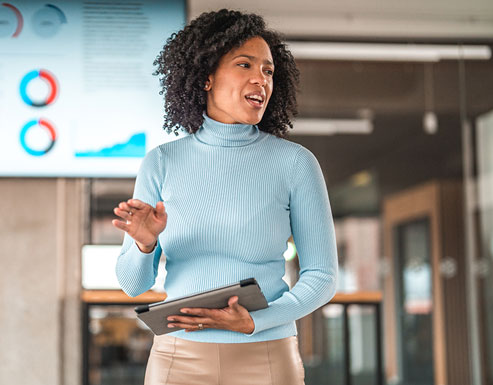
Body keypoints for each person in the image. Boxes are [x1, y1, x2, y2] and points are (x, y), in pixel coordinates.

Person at [112, 9, 337, 385]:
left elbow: (323, 276)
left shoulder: (295, 163)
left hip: (266, 354)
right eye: (245, 64)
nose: (260, 79)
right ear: (206, 78)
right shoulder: (162, 162)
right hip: (177, 358)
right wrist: (145, 243)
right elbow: (132, 284)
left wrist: (256, 321)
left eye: (268, 70)